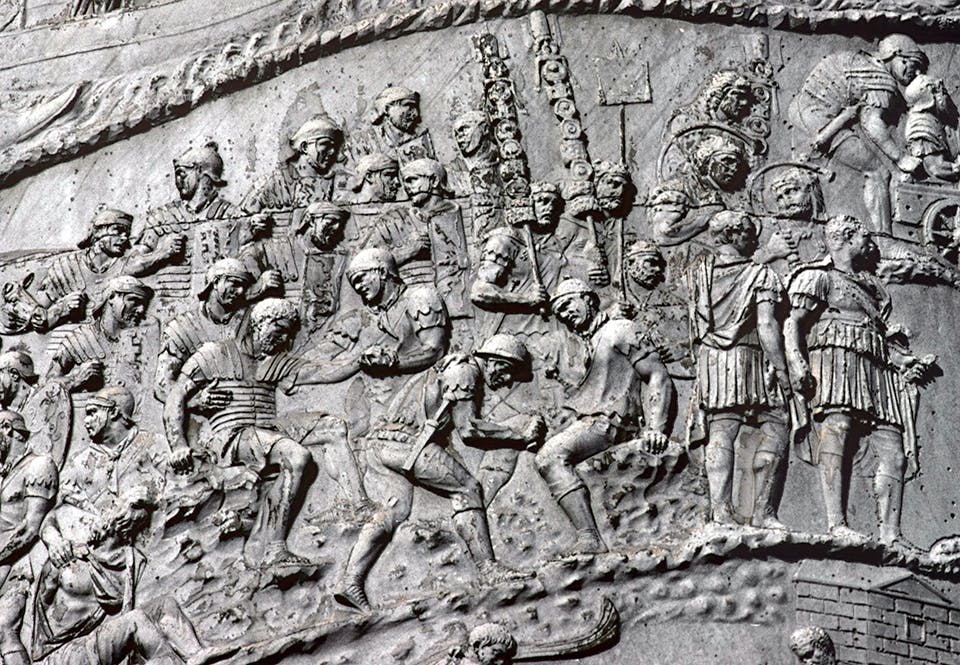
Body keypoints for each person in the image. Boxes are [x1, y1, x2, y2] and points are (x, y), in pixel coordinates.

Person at [332, 336, 540, 612]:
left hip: (380, 444)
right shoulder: (465, 371)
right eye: (508, 371)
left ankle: (351, 582)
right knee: (468, 489)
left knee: (392, 512)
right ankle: (487, 568)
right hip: (409, 444)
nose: (508, 381)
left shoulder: (450, 366)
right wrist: (519, 435)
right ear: (494, 361)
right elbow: (469, 430)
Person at [164, 298, 368, 566]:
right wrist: (178, 444)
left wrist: (360, 360)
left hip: (268, 429)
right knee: (296, 456)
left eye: (287, 334)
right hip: (231, 436)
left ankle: (358, 505)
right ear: (260, 324)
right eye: (279, 330)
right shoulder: (214, 354)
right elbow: (175, 396)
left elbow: (323, 372)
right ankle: (274, 548)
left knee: (333, 427)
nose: (284, 339)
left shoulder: (275, 362)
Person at [784, 215, 929, 546]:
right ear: (846, 238)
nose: (871, 243)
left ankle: (891, 534)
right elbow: (793, 323)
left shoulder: (872, 287)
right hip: (836, 359)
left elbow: (877, 333)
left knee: (894, 449)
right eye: (865, 236)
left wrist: (904, 361)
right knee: (838, 431)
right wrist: (796, 362)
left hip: (875, 366)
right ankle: (836, 523)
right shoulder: (818, 278)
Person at [534, 279, 675, 555]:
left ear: (588, 298)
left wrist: (656, 428)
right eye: (559, 313)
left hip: (612, 424)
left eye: (568, 304)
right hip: (597, 421)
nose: (565, 314)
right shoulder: (593, 340)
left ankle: (589, 537)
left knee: (549, 457)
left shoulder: (619, 330)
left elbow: (657, 375)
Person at [687, 211, 791, 528]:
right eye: (748, 233)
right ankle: (763, 511)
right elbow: (766, 326)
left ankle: (721, 512)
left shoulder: (699, 274)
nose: (755, 239)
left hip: (712, 358)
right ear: (733, 235)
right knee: (777, 425)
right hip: (750, 356)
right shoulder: (760, 275)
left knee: (721, 430)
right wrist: (782, 369)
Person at [790, 34, 928, 232]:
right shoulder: (880, 78)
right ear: (896, 55)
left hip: (800, 108)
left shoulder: (859, 59)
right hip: (821, 119)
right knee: (878, 172)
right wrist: (900, 158)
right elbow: (872, 123)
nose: (916, 73)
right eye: (913, 64)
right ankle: (885, 239)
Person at [369, 158, 471, 318]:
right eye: (405, 182)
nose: (407, 188)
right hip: (414, 305)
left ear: (434, 180)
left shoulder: (462, 214)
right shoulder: (394, 221)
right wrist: (407, 251)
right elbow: (367, 264)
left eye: (412, 180)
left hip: (458, 300)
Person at [0, 410, 58, 665]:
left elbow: (30, 528)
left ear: (7, 430)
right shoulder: (3, 474)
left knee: (3, 629)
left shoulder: (39, 465)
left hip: (21, 562)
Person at [240, 202, 350, 336]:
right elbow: (233, 286)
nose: (337, 228)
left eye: (340, 224)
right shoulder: (276, 248)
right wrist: (258, 287)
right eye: (331, 221)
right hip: (278, 335)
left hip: (323, 334)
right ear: (311, 220)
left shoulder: (339, 256)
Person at [155, 258, 255, 401]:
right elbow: (162, 385)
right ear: (216, 282)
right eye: (235, 284)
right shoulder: (182, 327)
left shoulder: (251, 322)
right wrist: (194, 401)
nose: (240, 291)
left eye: (244, 286)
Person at [48, 276, 153, 391]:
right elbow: (46, 386)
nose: (141, 310)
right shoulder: (78, 341)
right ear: (112, 297)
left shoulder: (141, 342)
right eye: (135, 301)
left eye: (144, 304)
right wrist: (75, 379)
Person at [242, 115, 344, 212]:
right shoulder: (274, 182)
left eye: (333, 146)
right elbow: (241, 216)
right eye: (325, 144)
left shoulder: (338, 182)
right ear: (304, 147)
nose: (332, 151)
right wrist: (255, 220)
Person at [903, 73, 960, 181]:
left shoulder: (938, 119)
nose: (946, 98)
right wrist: (956, 167)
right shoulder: (922, 126)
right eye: (942, 93)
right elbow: (936, 168)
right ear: (931, 96)